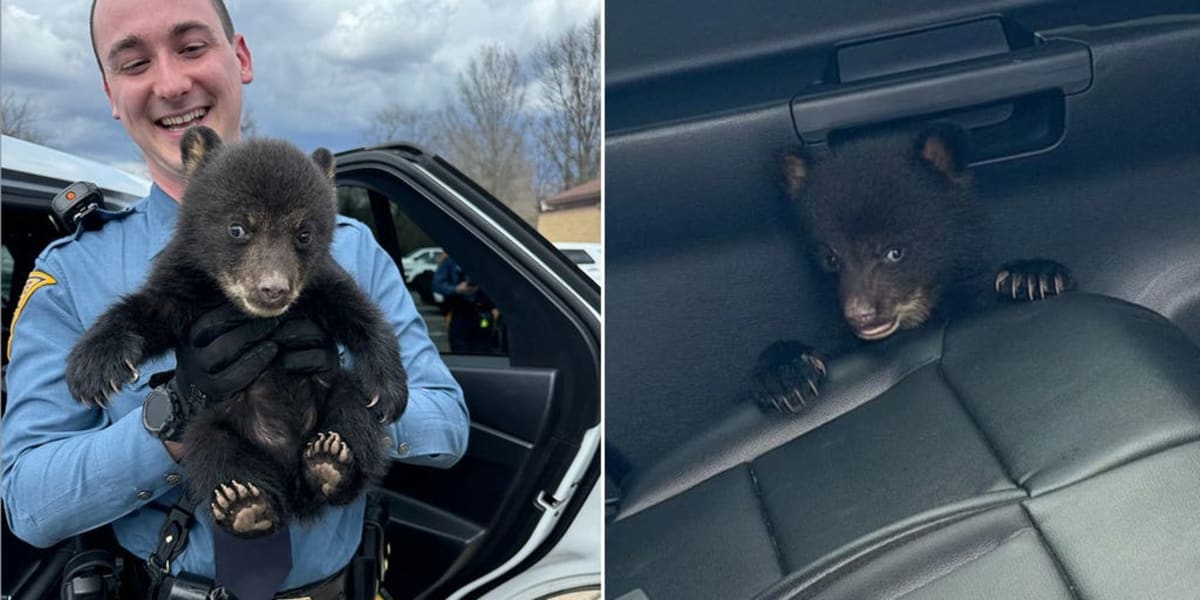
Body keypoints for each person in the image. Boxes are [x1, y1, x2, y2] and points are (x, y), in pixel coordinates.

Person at [0, 0, 469, 597]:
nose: (171, 84)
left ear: (240, 57)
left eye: (192, 47)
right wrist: (171, 419)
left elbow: (447, 425)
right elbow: (30, 506)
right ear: (111, 94)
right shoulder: (71, 275)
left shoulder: (350, 252)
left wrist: (345, 397)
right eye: (135, 61)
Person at [432, 255, 500, 354]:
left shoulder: (489, 258)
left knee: (484, 352)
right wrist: (456, 289)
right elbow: (436, 284)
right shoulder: (451, 260)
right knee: (460, 352)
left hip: (483, 312)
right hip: (460, 313)